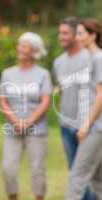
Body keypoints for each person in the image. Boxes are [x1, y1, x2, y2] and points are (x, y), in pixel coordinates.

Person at [0, 32, 52, 200]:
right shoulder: (8, 73)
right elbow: (3, 100)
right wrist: (15, 120)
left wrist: (28, 121)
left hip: (37, 130)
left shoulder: (43, 73)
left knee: (38, 170)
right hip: (12, 129)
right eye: (20, 45)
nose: (19, 48)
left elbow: (45, 101)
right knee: (8, 169)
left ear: (34, 51)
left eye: (24, 45)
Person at [53, 16, 95, 200]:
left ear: (76, 35)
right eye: (59, 33)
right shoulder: (58, 62)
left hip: (88, 126)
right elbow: (63, 90)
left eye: (65, 33)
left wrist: (88, 123)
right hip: (66, 126)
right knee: (74, 171)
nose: (61, 37)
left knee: (89, 175)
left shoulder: (91, 58)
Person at [66, 18, 102, 200]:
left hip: (95, 127)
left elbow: (101, 95)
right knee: (97, 179)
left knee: (77, 177)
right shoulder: (90, 58)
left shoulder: (99, 58)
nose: (77, 37)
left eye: (81, 33)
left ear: (93, 35)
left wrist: (86, 125)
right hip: (94, 126)